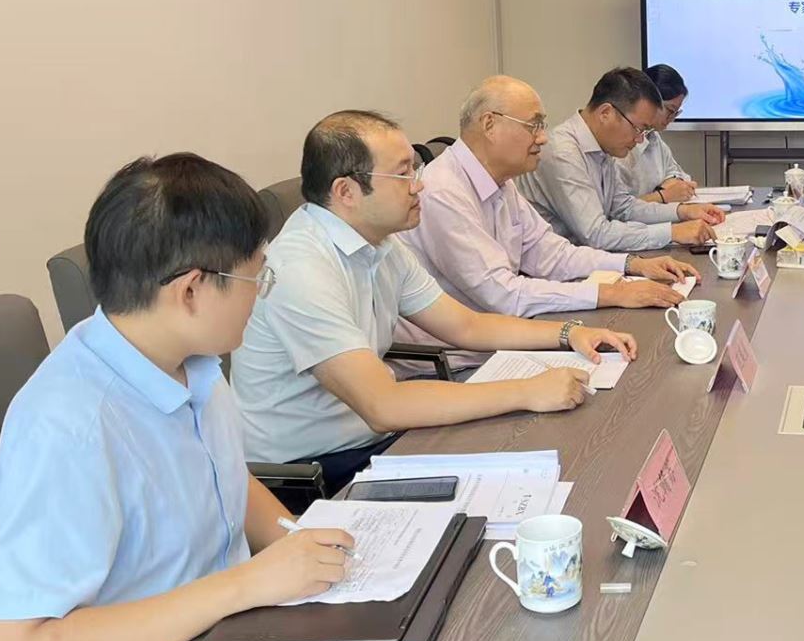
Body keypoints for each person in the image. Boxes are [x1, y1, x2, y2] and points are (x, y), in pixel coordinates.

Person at [0, 154, 460, 641]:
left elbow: (230, 480)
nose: (262, 292)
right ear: (190, 291)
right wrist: (248, 583)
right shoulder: (69, 425)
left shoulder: (190, 365)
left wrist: (301, 544)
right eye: (256, 276)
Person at [232, 110, 636, 489]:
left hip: (377, 436)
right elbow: (383, 406)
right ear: (346, 191)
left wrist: (568, 333)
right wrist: (527, 391)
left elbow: (465, 326)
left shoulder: (380, 244)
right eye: (402, 173)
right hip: (316, 470)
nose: (418, 184)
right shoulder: (301, 268)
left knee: (543, 449)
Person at [397, 77, 700, 353]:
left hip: (505, 337)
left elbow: (553, 254)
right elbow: (504, 294)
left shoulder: (501, 183)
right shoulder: (443, 191)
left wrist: (633, 265)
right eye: (533, 126)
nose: (543, 138)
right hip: (459, 362)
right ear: (490, 124)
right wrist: (612, 293)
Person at [517, 67, 726, 251]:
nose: (640, 139)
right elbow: (595, 234)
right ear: (606, 113)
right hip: (553, 268)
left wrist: (683, 211)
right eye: (638, 128)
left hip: (582, 258)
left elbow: (624, 208)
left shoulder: (603, 147)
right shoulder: (563, 153)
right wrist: (672, 232)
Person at [623, 63, 697, 204]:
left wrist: (673, 183)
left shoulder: (653, 136)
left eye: (676, 113)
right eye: (670, 110)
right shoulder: (621, 141)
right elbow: (619, 208)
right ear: (648, 102)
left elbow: (676, 172)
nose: (672, 119)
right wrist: (663, 195)